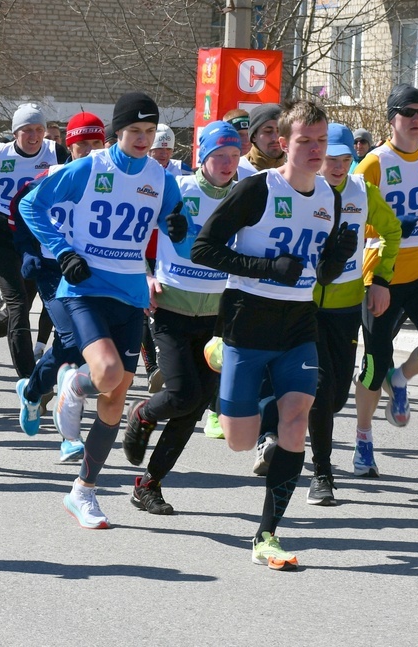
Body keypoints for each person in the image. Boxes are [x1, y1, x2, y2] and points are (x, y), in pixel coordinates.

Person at [191, 100, 356, 569]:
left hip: (299, 322)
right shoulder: (257, 189)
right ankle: (220, 355)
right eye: (305, 141)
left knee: (297, 415)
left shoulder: (329, 194)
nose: (315, 150)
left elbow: (319, 274)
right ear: (283, 142)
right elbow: (204, 248)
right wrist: (265, 267)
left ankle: (267, 534)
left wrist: (337, 258)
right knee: (240, 441)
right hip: (247, 317)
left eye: (321, 141)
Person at [20, 91, 181, 530]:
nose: (144, 139)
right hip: (85, 287)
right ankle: (72, 385)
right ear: (117, 132)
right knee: (107, 373)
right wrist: (62, 250)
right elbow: (30, 204)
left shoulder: (160, 176)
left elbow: (173, 223)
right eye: (135, 131)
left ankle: (83, 491)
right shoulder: (91, 167)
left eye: (150, 132)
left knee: (114, 400)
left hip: (130, 295)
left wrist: (178, 227)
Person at [253, 123, 401, 506]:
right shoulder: (299, 191)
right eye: (331, 159)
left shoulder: (362, 192)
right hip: (301, 305)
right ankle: (322, 474)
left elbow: (393, 231)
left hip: (346, 305)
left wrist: (381, 279)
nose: (337, 167)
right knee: (318, 394)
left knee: (333, 399)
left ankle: (288, 414)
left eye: (345, 159)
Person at [119, 120, 242, 515]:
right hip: (171, 308)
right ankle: (143, 412)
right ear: (202, 157)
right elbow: (133, 232)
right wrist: (146, 276)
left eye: (234, 156)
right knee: (182, 395)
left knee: (193, 407)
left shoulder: (246, 196)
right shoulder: (179, 190)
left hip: (217, 319)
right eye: (218, 156)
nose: (227, 163)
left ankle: (149, 484)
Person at [350, 84, 418, 478]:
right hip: (382, 274)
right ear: (391, 118)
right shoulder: (373, 164)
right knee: (373, 365)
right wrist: (390, 225)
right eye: (408, 112)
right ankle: (363, 440)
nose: (416, 119)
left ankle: (402, 377)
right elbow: (352, 216)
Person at [12, 111, 105, 462]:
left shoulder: (108, 182)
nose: (91, 151)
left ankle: (32, 390)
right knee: (72, 340)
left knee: (81, 346)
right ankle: (68, 433)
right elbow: (20, 211)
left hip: (92, 271)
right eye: (83, 146)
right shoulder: (47, 179)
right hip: (53, 270)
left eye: (97, 144)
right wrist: (26, 251)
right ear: (70, 147)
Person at [0, 103, 70, 378]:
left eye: (39, 129)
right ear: (15, 133)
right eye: (27, 130)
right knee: (19, 305)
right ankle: (28, 382)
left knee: (21, 304)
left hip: (37, 236)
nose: (34, 136)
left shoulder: (57, 153)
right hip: (3, 234)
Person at [238, 104, 284, 176]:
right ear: (254, 136)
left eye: (280, 131)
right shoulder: (236, 170)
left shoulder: (297, 172)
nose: (275, 138)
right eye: (268, 131)